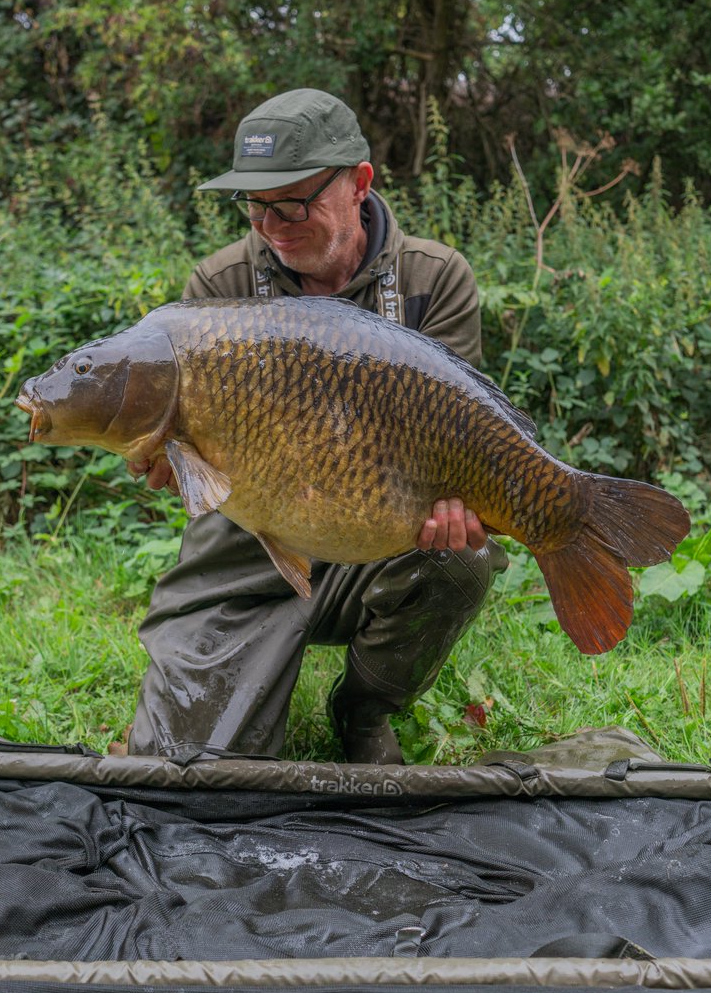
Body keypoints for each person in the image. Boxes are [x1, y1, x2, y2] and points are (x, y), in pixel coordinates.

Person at [127, 89, 507, 764]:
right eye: (256, 204)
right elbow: (186, 459)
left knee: (461, 561)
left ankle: (364, 711)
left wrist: (468, 501)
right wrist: (172, 460)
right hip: (249, 543)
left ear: (359, 182)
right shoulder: (219, 285)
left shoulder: (434, 277)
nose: (272, 224)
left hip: (384, 534)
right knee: (187, 770)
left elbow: (466, 433)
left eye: (294, 203)